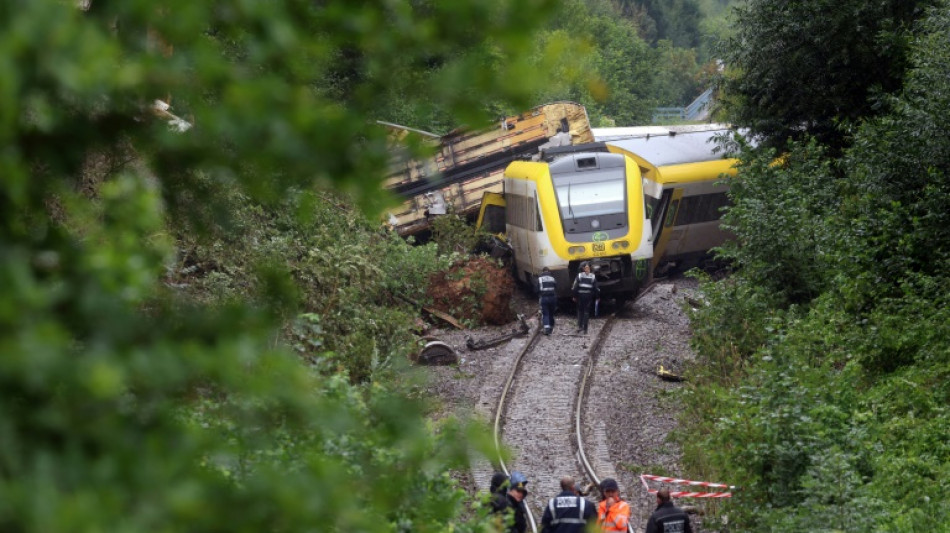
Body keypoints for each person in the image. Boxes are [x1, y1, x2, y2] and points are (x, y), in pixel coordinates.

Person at [571, 261, 599, 334]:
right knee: (586, 312)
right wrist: (597, 297)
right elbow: (596, 288)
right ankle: (585, 329)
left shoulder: (579, 276)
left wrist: (574, 296)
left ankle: (580, 327)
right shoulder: (593, 276)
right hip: (588, 296)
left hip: (580, 296)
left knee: (580, 311)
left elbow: (575, 287)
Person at [538, 267, 558, 335]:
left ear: (542, 272)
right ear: (549, 271)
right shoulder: (552, 278)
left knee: (545, 313)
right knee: (551, 313)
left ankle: (547, 329)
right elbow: (556, 287)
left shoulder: (540, 279)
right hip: (552, 298)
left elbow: (536, 289)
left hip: (544, 298)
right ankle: (551, 327)